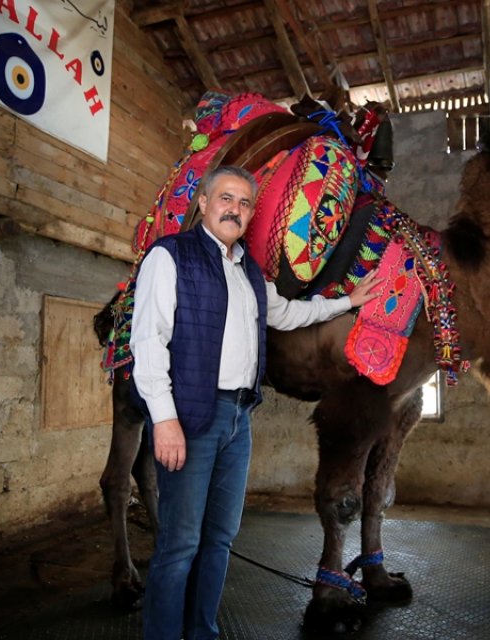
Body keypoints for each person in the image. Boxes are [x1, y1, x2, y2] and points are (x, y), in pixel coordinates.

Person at [129, 165, 380, 640]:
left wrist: (346, 303)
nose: (235, 210)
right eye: (226, 199)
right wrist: (163, 420)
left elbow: (286, 313)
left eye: (244, 203)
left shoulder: (248, 269)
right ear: (203, 202)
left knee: (219, 539)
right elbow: (148, 342)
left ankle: (201, 631)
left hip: (238, 419)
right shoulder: (171, 256)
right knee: (180, 544)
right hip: (191, 417)